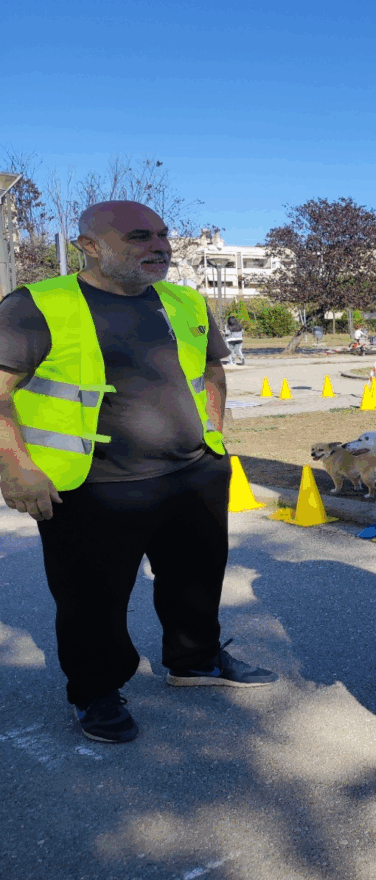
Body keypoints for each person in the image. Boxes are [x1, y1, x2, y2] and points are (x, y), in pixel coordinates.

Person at [0, 200, 277, 745]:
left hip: (192, 474)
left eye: (162, 235)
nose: (160, 247)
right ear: (90, 246)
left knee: (197, 581)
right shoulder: (36, 305)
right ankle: (95, 690)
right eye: (138, 237)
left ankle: (194, 660)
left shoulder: (184, 300)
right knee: (92, 601)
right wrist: (15, 468)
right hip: (93, 486)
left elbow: (212, 368)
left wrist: (214, 437)